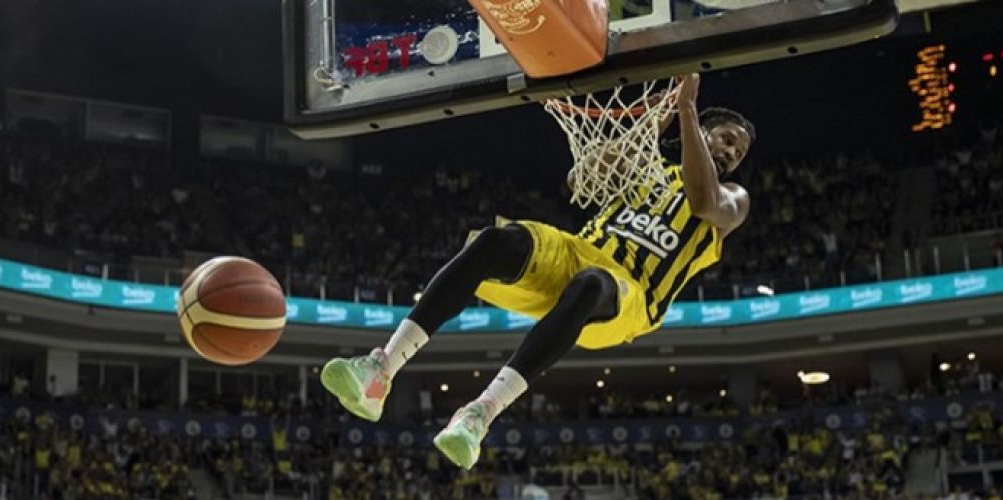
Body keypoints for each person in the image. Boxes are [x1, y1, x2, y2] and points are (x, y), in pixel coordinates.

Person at [320, 73, 754, 468]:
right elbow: (580, 180)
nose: (732, 153)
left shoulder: (734, 198)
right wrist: (654, 124)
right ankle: (381, 370)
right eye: (727, 139)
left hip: (630, 297)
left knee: (592, 283)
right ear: (704, 133)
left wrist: (686, 108)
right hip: (578, 252)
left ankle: (480, 413)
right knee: (494, 241)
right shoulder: (650, 169)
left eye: (739, 152)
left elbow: (703, 202)